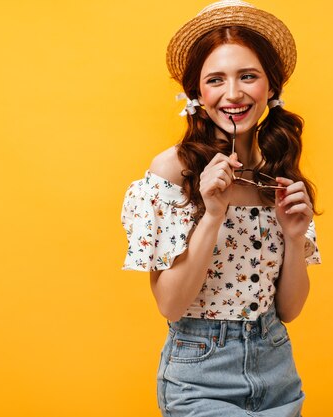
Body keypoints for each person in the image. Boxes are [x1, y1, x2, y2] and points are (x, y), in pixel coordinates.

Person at [121, 1, 322, 415]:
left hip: (276, 369)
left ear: (272, 86)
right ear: (196, 93)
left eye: (248, 76)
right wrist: (213, 214)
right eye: (216, 79)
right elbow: (170, 305)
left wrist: (294, 235)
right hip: (200, 374)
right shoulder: (173, 170)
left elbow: (290, 309)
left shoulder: (277, 174)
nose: (233, 94)